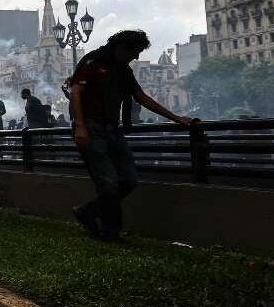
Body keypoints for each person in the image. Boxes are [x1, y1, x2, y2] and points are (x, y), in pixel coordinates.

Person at [68, 30, 195, 241]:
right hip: (92, 128)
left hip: (112, 129)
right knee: (107, 183)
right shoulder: (93, 61)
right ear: (121, 48)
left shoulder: (123, 70)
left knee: (129, 180)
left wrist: (175, 117)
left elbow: (141, 97)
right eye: (134, 52)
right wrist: (80, 126)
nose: (136, 57)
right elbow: (75, 92)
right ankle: (111, 232)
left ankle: (87, 211)